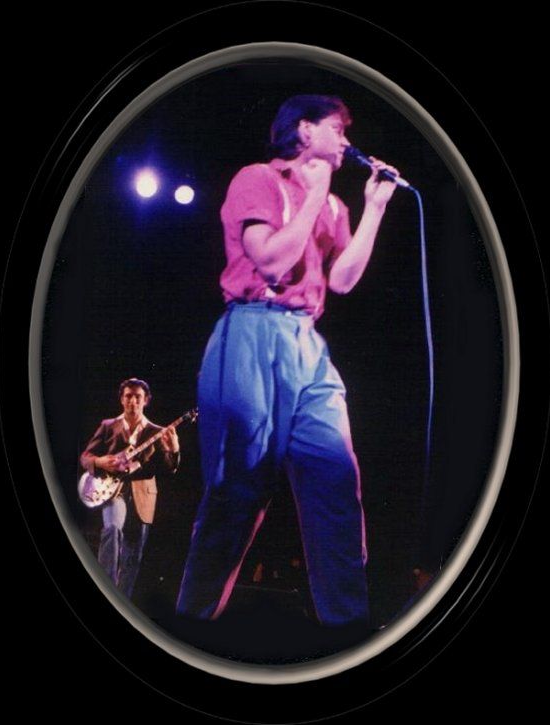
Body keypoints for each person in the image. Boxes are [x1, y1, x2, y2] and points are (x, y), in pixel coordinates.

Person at [176, 95, 399, 627]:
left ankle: (349, 634)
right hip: (252, 328)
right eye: (336, 129)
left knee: (336, 481)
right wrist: (314, 191)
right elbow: (272, 262)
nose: (345, 141)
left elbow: (342, 280)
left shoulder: (335, 206)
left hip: (307, 342)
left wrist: (374, 209)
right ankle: (188, 625)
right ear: (304, 130)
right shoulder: (258, 179)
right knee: (238, 487)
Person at [80, 378, 180, 598]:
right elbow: (86, 456)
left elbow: (169, 468)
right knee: (112, 530)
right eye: (128, 396)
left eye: (138, 397)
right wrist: (99, 462)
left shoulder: (156, 431)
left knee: (133, 555)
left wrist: (173, 450)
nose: (133, 401)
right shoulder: (108, 426)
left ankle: (121, 600)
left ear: (146, 401)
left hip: (143, 496)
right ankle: (106, 589)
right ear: (121, 399)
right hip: (113, 492)